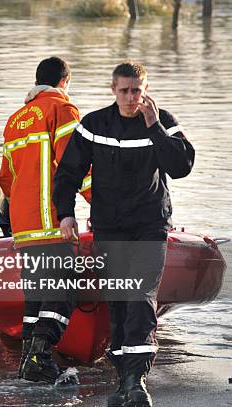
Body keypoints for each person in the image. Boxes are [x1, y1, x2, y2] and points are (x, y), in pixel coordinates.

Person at [54, 61, 194, 407]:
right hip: (109, 227)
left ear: (145, 89)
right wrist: (66, 214)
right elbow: (68, 172)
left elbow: (180, 168)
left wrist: (154, 126)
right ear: (113, 90)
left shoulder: (163, 122)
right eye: (125, 91)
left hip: (149, 226)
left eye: (137, 90)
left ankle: (137, 379)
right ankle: (123, 381)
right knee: (117, 303)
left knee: (141, 297)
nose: (132, 98)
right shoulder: (94, 124)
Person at [0, 56, 91, 384]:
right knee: (62, 291)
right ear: (65, 81)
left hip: (24, 228)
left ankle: (28, 361)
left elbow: (6, 180)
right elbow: (75, 165)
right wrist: (103, 205)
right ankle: (39, 356)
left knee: (36, 296)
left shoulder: (15, 120)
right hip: (52, 222)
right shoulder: (62, 110)